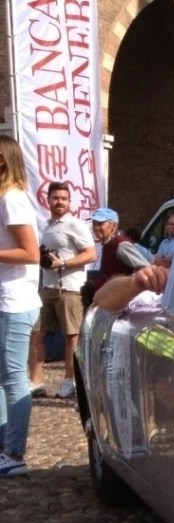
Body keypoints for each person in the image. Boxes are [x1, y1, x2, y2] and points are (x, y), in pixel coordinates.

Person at [30, 181, 97, 400]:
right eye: (55, 198)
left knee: (71, 336)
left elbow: (91, 254)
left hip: (70, 288)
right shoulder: (48, 226)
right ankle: (36, 382)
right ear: (48, 200)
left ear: (69, 202)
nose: (59, 202)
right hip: (47, 286)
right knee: (37, 333)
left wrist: (64, 264)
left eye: (63, 198)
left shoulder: (75, 225)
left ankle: (70, 381)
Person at [0, 136, 41, 477]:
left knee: (14, 379)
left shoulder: (12, 198)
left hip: (15, 302)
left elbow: (31, 253)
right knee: (3, 378)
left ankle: (15, 454)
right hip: (6, 300)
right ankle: (5, 446)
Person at [91, 207, 150, 291]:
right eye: (94, 223)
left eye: (100, 224)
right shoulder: (107, 244)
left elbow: (145, 268)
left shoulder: (120, 245)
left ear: (113, 226)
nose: (96, 228)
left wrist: (128, 285)